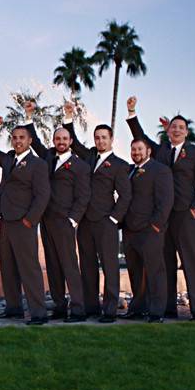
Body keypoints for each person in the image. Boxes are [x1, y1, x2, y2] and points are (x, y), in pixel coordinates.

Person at [126, 95, 195, 320]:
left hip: (185, 214)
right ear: (168, 130)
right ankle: (167, 308)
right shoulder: (161, 151)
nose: (176, 130)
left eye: (181, 127)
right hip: (162, 217)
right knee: (165, 263)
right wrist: (132, 113)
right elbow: (141, 138)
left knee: (192, 262)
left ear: (186, 132)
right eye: (173, 127)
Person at [62, 100, 132, 323]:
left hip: (106, 223)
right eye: (97, 137)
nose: (100, 140)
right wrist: (68, 117)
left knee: (110, 267)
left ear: (111, 140)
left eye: (104, 137)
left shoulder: (120, 165)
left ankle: (110, 310)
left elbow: (126, 196)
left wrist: (114, 219)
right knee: (88, 265)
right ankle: (90, 307)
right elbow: (73, 143)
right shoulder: (89, 157)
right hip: (84, 222)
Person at [20, 103, 91, 322]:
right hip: (46, 220)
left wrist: (73, 220)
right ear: (54, 141)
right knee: (52, 265)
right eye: (57, 139)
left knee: (69, 265)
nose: (60, 142)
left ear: (70, 142)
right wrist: (29, 116)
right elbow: (36, 142)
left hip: (65, 222)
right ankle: (60, 305)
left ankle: (78, 309)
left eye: (64, 139)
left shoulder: (80, 166)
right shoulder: (47, 157)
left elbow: (83, 196)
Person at [0, 114, 50, 325]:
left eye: (22, 137)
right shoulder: (9, 159)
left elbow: (43, 195)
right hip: (6, 221)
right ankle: (13, 308)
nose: (18, 141)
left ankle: (38, 313)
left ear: (30, 141)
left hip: (24, 223)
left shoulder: (37, 164)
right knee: (8, 266)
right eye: (14, 137)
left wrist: (30, 220)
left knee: (29, 268)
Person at [120, 139, 174, 323]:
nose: (136, 152)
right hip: (129, 229)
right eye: (133, 149)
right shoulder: (129, 171)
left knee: (155, 271)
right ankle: (138, 307)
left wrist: (156, 226)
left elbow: (165, 201)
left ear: (148, 151)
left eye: (140, 149)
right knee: (135, 272)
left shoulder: (160, 170)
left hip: (150, 230)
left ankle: (157, 311)